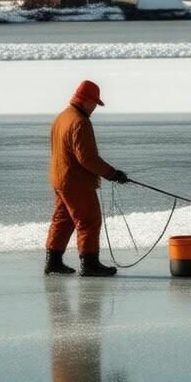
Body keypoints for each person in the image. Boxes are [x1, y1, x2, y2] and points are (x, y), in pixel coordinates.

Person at [44, 79, 129, 277]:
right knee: (89, 221)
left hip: (59, 177)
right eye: (94, 103)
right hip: (76, 182)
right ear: (84, 100)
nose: (94, 108)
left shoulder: (62, 117)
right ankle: (90, 265)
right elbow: (87, 158)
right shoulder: (80, 122)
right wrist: (112, 173)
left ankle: (53, 262)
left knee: (63, 220)